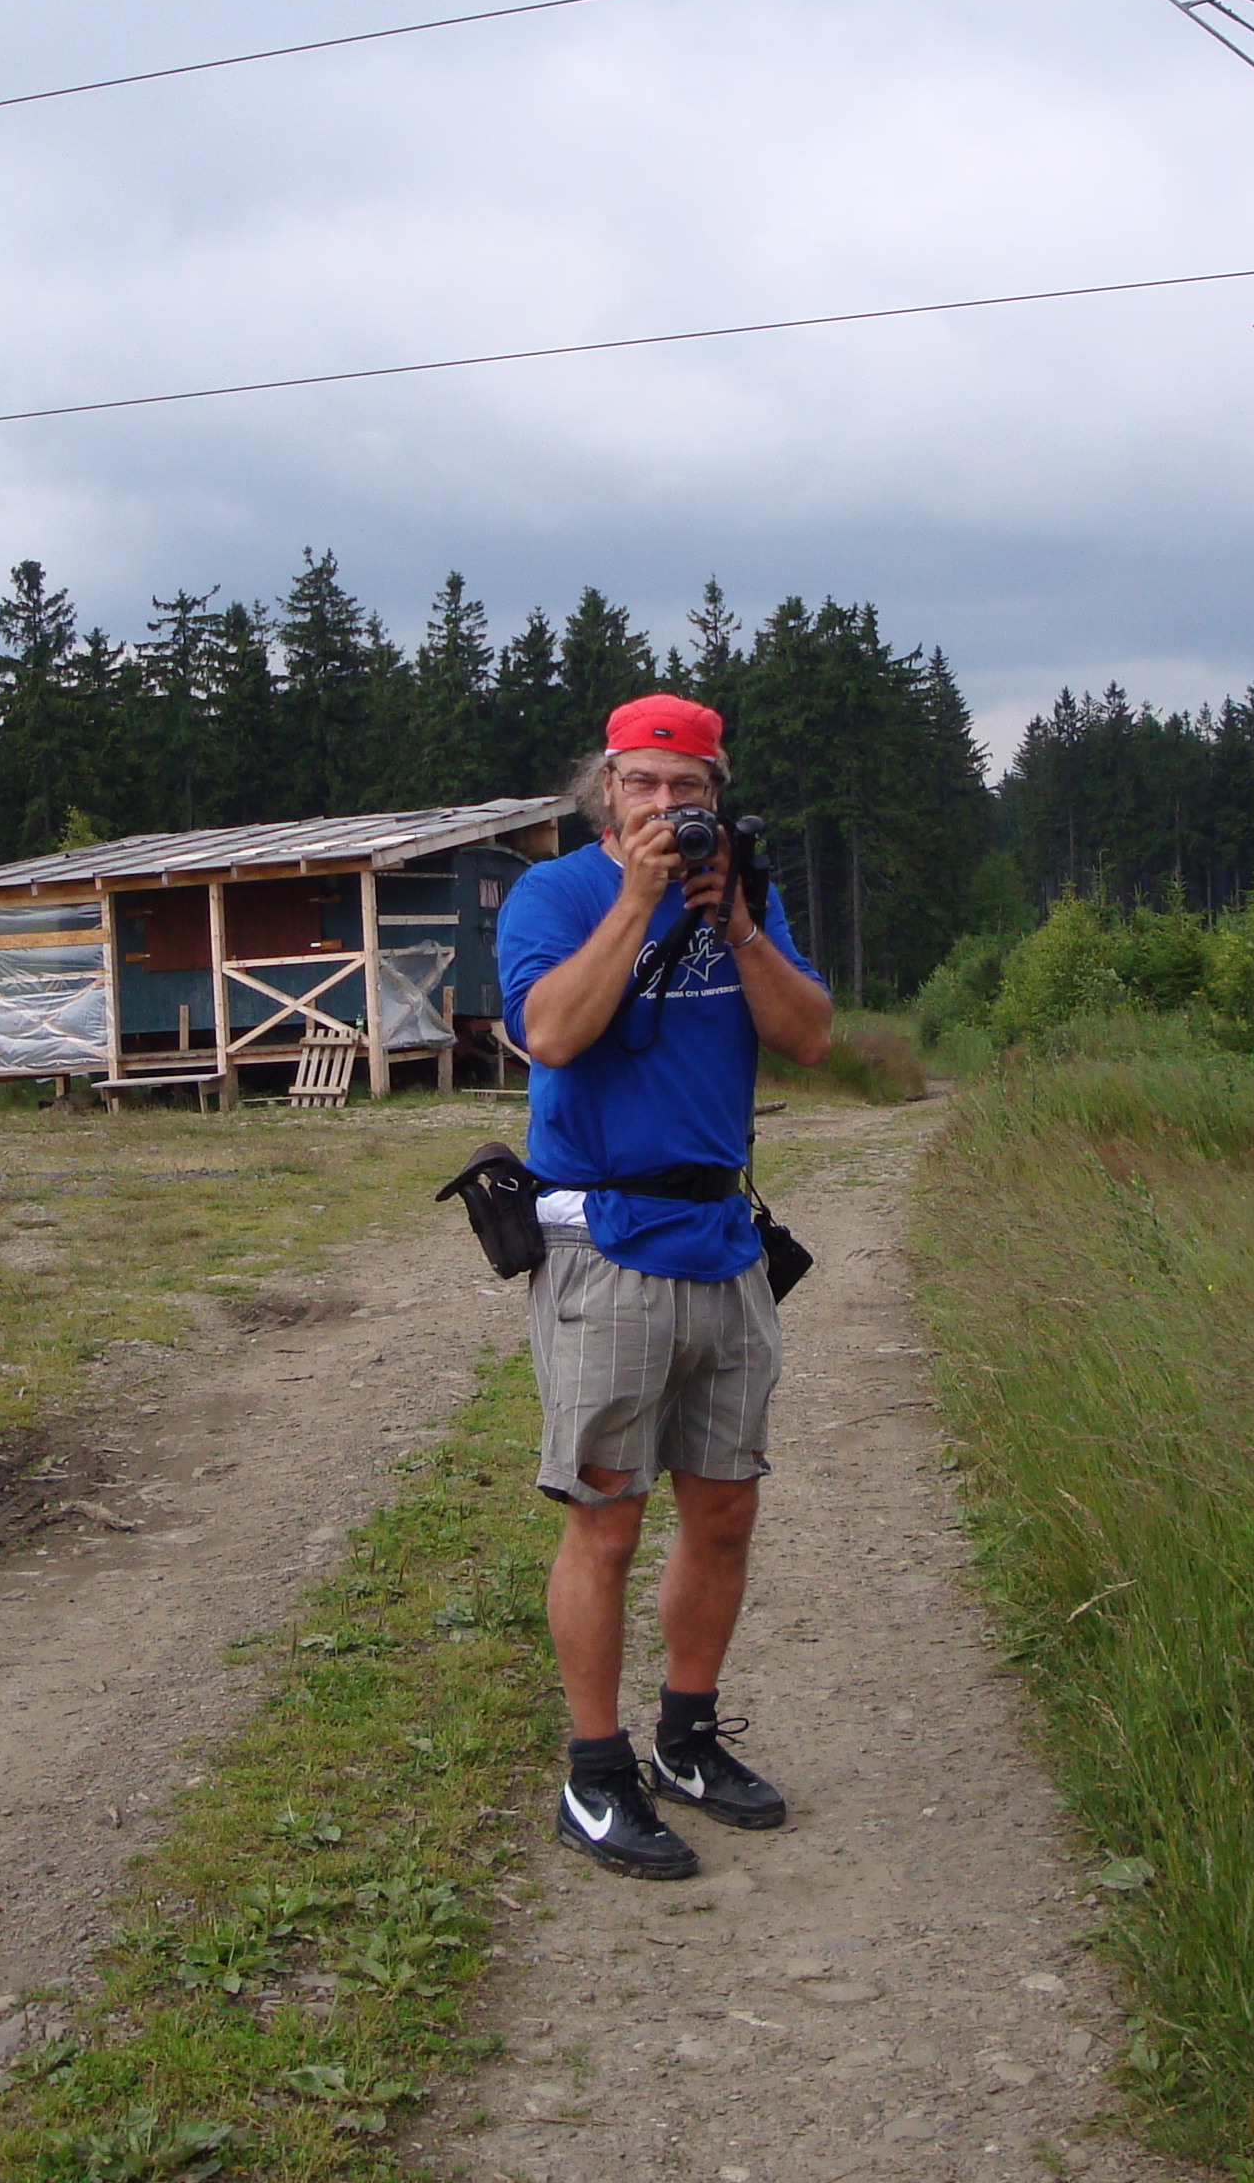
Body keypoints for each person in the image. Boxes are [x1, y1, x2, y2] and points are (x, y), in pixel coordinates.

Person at [495, 692, 832, 1879]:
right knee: (606, 1520)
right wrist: (637, 900)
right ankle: (595, 1775)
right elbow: (550, 1033)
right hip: (605, 1243)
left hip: (724, 1240)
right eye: (643, 784)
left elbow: (810, 1036)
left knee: (725, 1508)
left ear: (717, 799)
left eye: (689, 789)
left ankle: (687, 1738)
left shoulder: (742, 894)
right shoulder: (555, 895)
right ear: (606, 789)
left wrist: (737, 924)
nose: (665, 806)